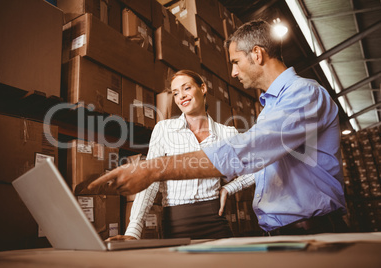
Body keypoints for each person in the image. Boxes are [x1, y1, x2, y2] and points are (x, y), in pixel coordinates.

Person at [90, 20, 348, 236]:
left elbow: (250, 151)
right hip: (282, 229)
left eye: (236, 62)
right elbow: (261, 162)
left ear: (257, 54)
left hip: (310, 229)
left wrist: (154, 168)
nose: (234, 72)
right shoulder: (271, 107)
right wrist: (133, 229)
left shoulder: (304, 94)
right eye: (174, 92)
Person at [110, 70, 254, 240]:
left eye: (186, 88)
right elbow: (149, 180)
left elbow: (257, 167)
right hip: (176, 225)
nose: (181, 97)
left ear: (203, 88)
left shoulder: (226, 133)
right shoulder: (164, 129)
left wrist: (229, 188)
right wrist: (133, 231)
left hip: (215, 222)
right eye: (175, 93)